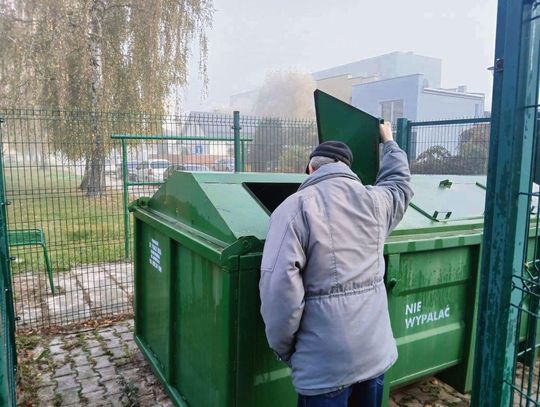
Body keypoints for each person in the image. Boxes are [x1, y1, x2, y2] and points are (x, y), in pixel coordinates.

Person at [259, 122, 413, 407]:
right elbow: (400, 184)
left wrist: (286, 350)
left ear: (311, 169)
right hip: (374, 353)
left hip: (324, 365)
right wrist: (389, 142)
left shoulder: (293, 210)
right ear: (348, 169)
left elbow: (280, 292)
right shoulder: (377, 203)